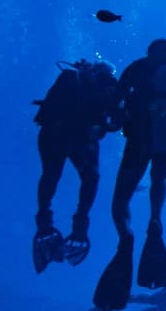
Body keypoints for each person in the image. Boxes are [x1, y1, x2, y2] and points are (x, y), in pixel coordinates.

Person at [95, 39, 166, 311]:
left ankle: (125, 237)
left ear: (150, 51)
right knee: (159, 181)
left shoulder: (137, 67)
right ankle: (155, 220)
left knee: (122, 197)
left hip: (138, 140)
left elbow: (115, 102)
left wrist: (120, 117)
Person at [30, 59, 121, 272]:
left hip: (53, 132)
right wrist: (101, 128)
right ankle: (80, 222)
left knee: (51, 174)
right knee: (90, 179)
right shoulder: (111, 88)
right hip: (82, 138)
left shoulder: (71, 76)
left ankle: (44, 219)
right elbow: (116, 122)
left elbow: (49, 106)